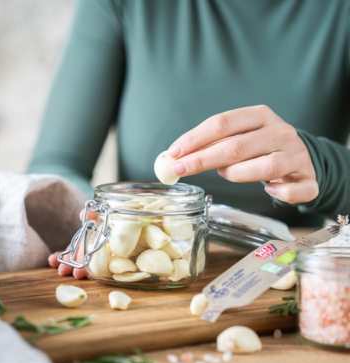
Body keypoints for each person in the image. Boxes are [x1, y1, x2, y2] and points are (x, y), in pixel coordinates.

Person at [27, 0, 350, 279]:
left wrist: (325, 168)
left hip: (283, 275)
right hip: (145, 269)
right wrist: (98, 223)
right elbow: (56, 164)